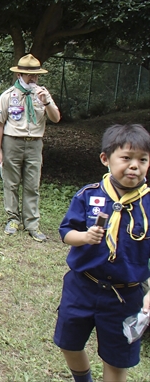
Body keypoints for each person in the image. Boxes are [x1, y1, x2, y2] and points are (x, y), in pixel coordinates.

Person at [54, 124, 150, 382]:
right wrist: (84, 237)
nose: (134, 166)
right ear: (105, 159)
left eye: (142, 159)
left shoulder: (148, 204)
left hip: (125, 296)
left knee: (116, 361)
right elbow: (66, 233)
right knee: (68, 343)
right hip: (82, 286)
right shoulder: (89, 195)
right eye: (126, 158)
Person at [0, 54, 61, 241]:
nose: (33, 78)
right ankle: (13, 219)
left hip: (35, 144)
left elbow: (56, 118)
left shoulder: (43, 94)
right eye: (29, 75)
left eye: (36, 75)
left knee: (33, 185)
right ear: (20, 75)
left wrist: (46, 102)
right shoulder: (8, 96)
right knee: (11, 183)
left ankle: (32, 224)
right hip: (12, 142)